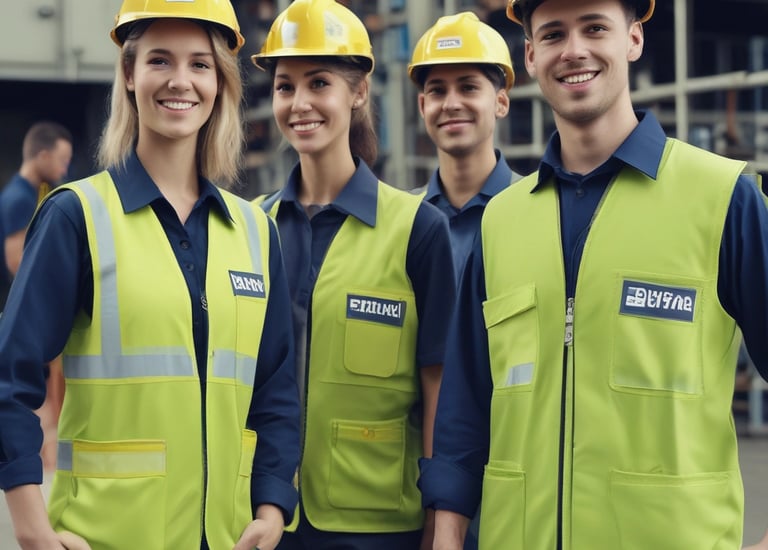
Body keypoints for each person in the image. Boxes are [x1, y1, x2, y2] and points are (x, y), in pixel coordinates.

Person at [419, 0, 768, 549]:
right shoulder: (503, 221)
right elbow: (465, 407)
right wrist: (446, 534)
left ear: (633, 39)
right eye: (554, 34)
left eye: (595, 27)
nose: (574, 50)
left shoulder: (723, 198)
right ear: (532, 56)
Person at [0, 1, 301, 549]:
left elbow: (276, 391)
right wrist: (31, 528)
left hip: (228, 538)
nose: (180, 81)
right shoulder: (77, 216)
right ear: (130, 76)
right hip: (105, 537)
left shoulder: (257, 232)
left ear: (221, 84)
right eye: (159, 61)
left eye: (200, 64)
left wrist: (273, 506)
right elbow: (8, 380)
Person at [250, 1, 456, 548]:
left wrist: (441, 514)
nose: (299, 104)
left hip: (379, 525)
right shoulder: (251, 228)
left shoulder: (418, 229)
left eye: (319, 83)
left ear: (358, 92)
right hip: (264, 517)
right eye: (285, 86)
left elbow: (438, 383)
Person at [407, 13, 522, 550]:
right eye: (437, 90)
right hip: (419, 500)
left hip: (519, 487)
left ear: (501, 99)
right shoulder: (399, 230)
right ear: (421, 107)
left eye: (469, 87)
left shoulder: (534, 219)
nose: (451, 102)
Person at [0, 121, 72, 310]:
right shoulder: (19, 199)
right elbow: (16, 264)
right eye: (63, 161)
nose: (64, 170)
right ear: (44, 156)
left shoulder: (30, 193)